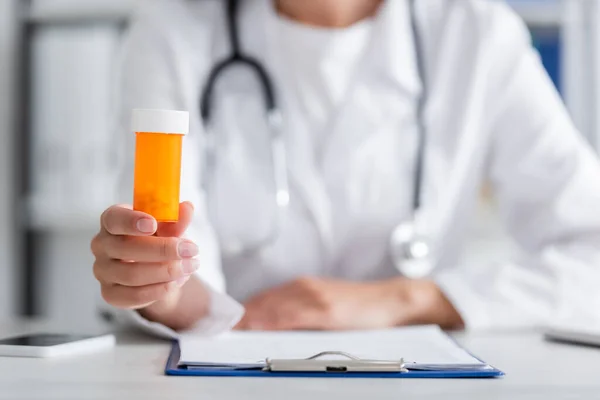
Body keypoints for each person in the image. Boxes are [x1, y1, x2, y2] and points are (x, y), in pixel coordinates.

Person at [91, 0, 600, 338]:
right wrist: (161, 285)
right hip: (234, 368)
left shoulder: (476, 34)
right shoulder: (173, 28)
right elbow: (173, 265)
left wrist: (415, 298)